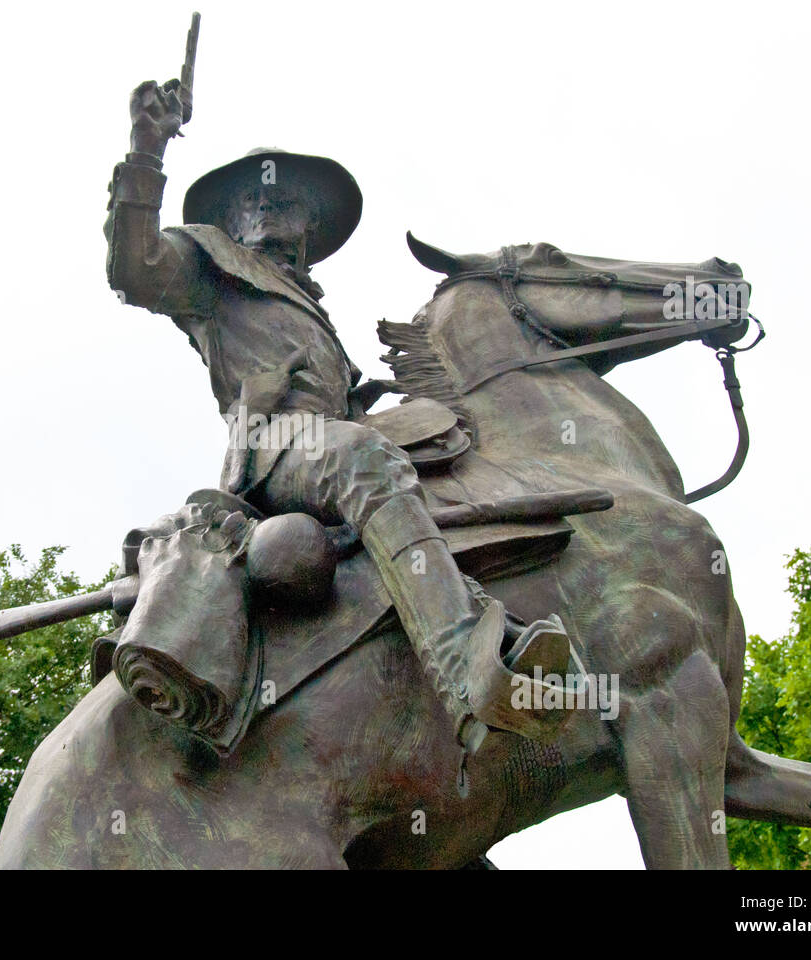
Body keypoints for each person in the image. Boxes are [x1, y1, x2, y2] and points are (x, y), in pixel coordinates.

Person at [103, 78, 570, 755]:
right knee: (364, 459)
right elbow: (134, 269)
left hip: (329, 438)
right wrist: (146, 150)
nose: (268, 206)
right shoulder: (209, 265)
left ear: (308, 227)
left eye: (284, 200)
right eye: (253, 198)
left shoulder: (308, 305)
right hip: (276, 448)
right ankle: (470, 664)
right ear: (232, 219)